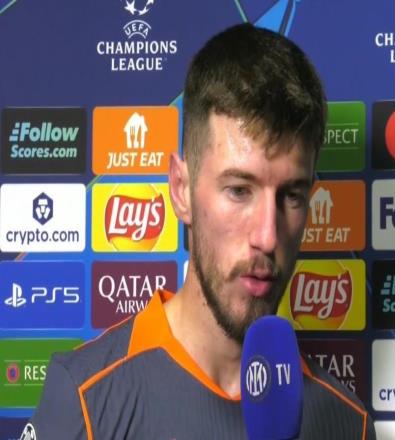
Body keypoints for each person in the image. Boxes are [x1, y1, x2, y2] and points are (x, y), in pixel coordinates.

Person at [21, 23, 376, 439]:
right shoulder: (86, 399)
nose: (267, 236)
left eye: (291, 196)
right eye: (239, 190)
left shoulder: (347, 422)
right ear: (181, 190)